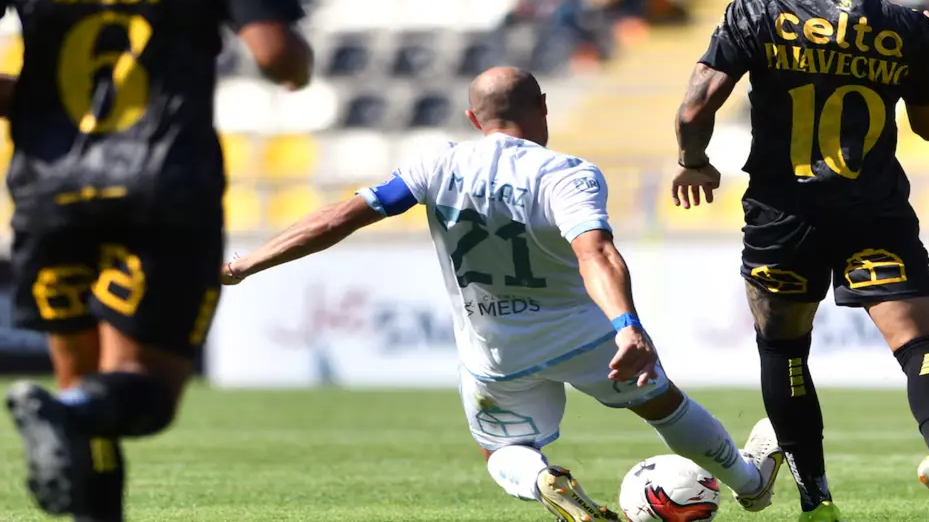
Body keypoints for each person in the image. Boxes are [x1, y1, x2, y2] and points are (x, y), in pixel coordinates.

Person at [221, 67, 785, 522]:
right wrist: (625, 325)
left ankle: (543, 481)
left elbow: (339, 217)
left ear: (473, 118)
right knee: (665, 406)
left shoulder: (434, 162)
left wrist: (248, 261)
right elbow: (596, 252)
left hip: (494, 347)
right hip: (585, 335)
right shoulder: (566, 173)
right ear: (542, 105)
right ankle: (749, 483)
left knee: (503, 450)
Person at [667, 0, 929, 521]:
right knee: (922, 344)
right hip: (873, 212)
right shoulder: (909, 27)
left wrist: (695, 162)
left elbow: (695, 107)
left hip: (781, 217)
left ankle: (816, 500)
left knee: (785, 350)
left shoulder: (759, 10)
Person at [1, 0, 313, 519]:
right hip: (166, 186)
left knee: (80, 380)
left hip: (50, 189)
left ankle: (75, 429)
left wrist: (40, 104)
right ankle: (71, 410)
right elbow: (276, 56)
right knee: (140, 391)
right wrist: (299, 65)